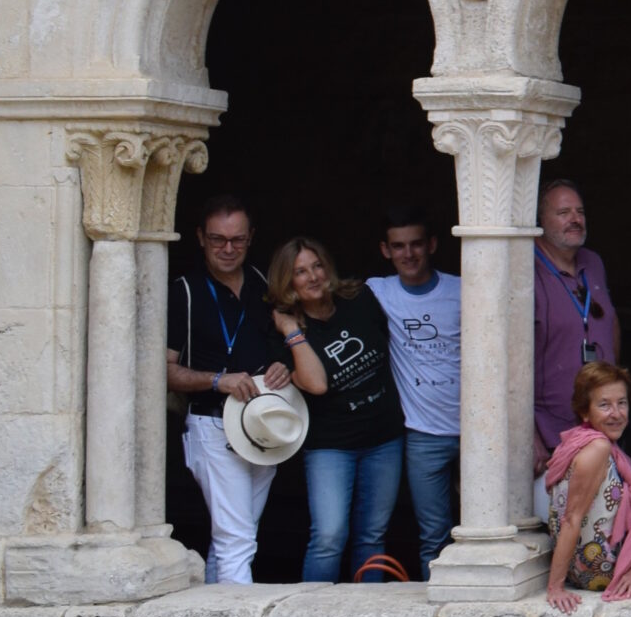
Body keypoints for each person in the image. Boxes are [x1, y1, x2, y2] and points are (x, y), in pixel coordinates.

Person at [268, 237, 407, 583]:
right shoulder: (284, 332)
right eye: (301, 272)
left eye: (317, 266)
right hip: (330, 446)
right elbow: (316, 384)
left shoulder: (360, 299)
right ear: (288, 282)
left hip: (384, 437)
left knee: (371, 536)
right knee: (328, 537)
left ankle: (367, 610)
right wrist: (292, 331)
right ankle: (311, 614)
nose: (313, 276)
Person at [165, 195, 289, 584]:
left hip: (263, 425)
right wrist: (219, 380)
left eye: (237, 239)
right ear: (201, 238)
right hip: (212, 425)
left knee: (233, 538)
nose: (228, 248)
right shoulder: (183, 291)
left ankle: (211, 612)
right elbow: (163, 372)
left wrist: (283, 366)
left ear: (250, 238)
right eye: (218, 239)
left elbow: (280, 345)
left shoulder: (263, 284)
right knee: (237, 540)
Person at [366, 206, 461, 578]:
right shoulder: (377, 291)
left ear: (432, 245)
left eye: (416, 244)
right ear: (385, 250)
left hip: (475, 431)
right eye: (398, 246)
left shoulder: (462, 288)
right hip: (423, 435)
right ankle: (437, 603)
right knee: (433, 536)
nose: (408, 254)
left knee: (488, 530)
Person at [544, 361, 631, 610]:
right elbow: (571, 519)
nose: (617, 413)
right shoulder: (597, 449)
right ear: (585, 412)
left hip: (589, 565)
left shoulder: (581, 441)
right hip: (599, 569)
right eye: (604, 405)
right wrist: (555, 587)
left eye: (622, 403)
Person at [534, 180, 619, 466]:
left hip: (601, 423)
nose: (575, 219)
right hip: (550, 429)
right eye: (563, 213)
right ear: (540, 220)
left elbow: (610, 322)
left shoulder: (593, 262)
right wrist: (529, 435)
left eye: (579, 212)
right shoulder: (524, 267)